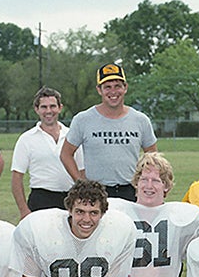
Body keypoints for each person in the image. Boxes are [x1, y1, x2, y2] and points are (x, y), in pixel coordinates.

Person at [59, 63, 157, 201]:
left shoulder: (140, 120)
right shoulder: (83, 119)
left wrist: (146, 183)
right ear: (99, 90)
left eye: (118, 86)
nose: (113, 92)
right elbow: (65, 154)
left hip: (131, 191)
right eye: (107, 87)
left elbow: (152, 157)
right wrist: (81, 183)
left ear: (125, 88)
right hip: (96, 192)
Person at [11, 87, 83, 219]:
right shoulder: (26, 139)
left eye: (52, 106)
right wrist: (24, 210)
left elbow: (82, 171)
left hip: (70, 199)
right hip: (41, 199)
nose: (48, 111)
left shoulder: (72, 136)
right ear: (36, 109)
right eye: (44, 107)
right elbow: (16, 177)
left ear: (60, 108)